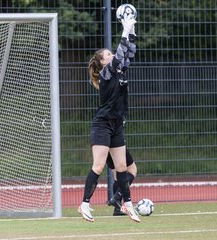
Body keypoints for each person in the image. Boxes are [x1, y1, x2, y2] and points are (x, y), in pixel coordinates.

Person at [77, 16, 139, 223]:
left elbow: (129, 52)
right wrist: (124, 30)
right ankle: (84, 204)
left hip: (116, 124)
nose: (112, 56)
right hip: (102, 124)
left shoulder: (119, 69)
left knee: (122, 167)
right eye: (108, 55)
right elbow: (121, 54)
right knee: (98, 166)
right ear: (102, 62)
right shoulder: (105, 72)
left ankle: (128, 205)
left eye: (111, 54)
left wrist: (131, 31)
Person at [106, 149, 137, 216]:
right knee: (132, 171)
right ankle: (116, 198)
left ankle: (117, 209)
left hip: (104, 147)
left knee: (117, 176)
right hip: (116, 145)